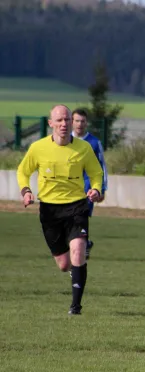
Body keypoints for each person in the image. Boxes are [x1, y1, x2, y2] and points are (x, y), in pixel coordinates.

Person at [17, 105, 104, 315]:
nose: (64, 124)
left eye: (67, 120)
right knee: (64, 264)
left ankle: (76, 307)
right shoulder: (38, 148)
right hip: (49, 210)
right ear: (51, 124)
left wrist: (95, 189)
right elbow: (23, 171)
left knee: (77, 251)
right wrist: (26, 191)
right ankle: (76, 265)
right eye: (59, 121)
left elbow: (96, 173)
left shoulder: (83, 148)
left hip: (77, 207)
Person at [72, 108, 108, 260]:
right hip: (69, 187)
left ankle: (82, 247)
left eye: (82, 121)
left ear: (86, 123)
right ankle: (84, 244)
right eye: (77, 121)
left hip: (88, 188)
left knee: (81, 217)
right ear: (72, 122)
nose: (80, 124)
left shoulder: (94, 142)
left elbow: (102, 167)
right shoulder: (65, 140)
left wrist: (102, 189)